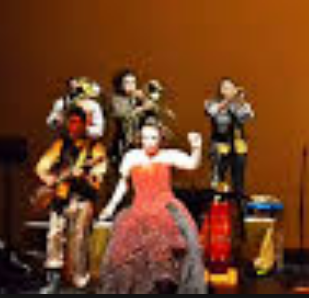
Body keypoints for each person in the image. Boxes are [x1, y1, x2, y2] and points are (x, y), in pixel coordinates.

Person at [97, 123, 207, 293]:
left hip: (166, 207)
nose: (149, 142)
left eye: (153, 138)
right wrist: (111, 207)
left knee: (169, 249)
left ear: (160, 139)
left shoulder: (168, 155)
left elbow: (192, 163)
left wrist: (196, 147)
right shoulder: (132, 157)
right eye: (145, 138)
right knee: (127, 253)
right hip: (140, 208)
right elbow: (123, 184)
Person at [34, 106, 108, 293]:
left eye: (76, 122)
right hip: (60, 197)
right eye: (70, 122)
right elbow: (41, 166)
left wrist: (83, 176)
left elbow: (97, 180)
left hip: (82, 199)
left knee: (80, 240)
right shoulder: (60, 144)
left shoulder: (96, 148)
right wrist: (49, 178)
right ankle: (53, 279)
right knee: (54, 236)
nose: (72, 126)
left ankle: (80, 280)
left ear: (85, 124)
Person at [204, 78, 253, 196]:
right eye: (226, 88)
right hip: (220, 145)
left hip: (238, 146)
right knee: (218, 178)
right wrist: (227, 101)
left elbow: (247, 117)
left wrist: (240, 102)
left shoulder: (239, 104)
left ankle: (239, 201)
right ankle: (218, 201)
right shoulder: (211, 102)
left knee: (239, 180)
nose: (230, 90)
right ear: (221, 90)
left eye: (232, 87)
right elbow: (211, 112)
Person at [46, 77, 105, 141]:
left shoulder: (93, 106)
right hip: (64, 140)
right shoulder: (61, 103)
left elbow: (99, 131)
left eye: (79, 90)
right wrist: (57, 121)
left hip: (86, 142)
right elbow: (50, 121)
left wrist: (83, 130)